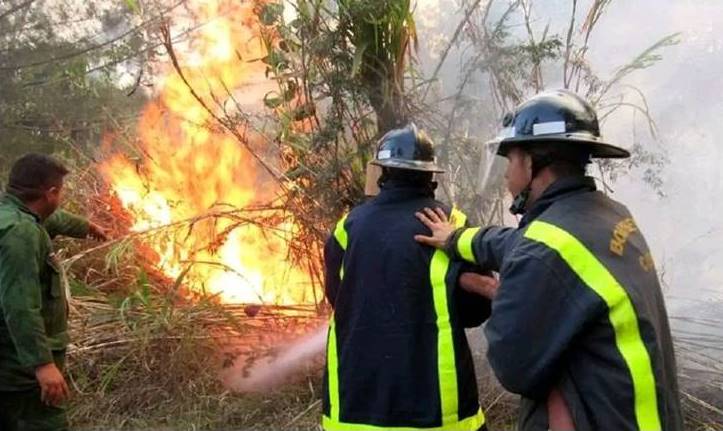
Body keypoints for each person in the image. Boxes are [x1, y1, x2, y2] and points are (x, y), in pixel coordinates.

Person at [415, 90, 683, 431]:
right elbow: (516, 243)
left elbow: (511, 365)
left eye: (509, 160)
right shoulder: (606, 216)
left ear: (530, 163)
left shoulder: (544, 252)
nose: (506, 176)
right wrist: (455, 239)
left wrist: (498, 291)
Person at [321, 124, 491, 431]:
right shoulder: (451, 225)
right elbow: (477, 312)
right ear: (430, 176)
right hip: (436, 410)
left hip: (354, 409)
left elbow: (338, 299)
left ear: (383, 174)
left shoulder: (347, 227)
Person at [0, 153, 108, 431]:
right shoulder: (21, 234)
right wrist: (43, 366)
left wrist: (87, 227)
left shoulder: (10, 217)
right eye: (59, 193)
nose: (59, 199)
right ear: (50, 193)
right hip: (20, 375)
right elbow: (20, 305)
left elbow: (53, 218)